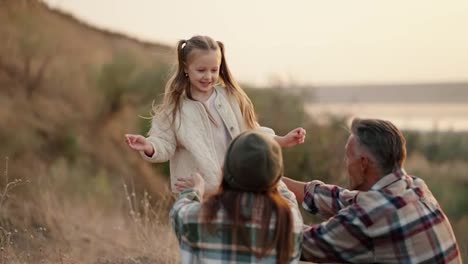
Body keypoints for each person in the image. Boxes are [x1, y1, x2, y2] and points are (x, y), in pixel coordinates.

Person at [125, 35, 305, 195]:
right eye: (201, 70)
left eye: (214, 70)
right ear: (186, 68)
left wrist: (281, 140)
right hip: (199, 191)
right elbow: (165, 143)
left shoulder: (231, 98)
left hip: (238, 185)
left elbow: (251, 134)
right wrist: (149, 146)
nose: (208, 76)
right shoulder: (175, 108)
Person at [283, 118, 461, 263]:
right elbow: (341, 198)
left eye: (348, 156)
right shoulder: (415, 187)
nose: (346, 163)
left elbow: (294, 245)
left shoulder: (370, 217)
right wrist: (275, 182)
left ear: (363, 163)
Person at [170, 130, 304, 263]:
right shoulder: (291, 221)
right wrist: (272, 178)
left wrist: (196, 189)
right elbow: (287, 198)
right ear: (276, 176)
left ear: (225, 170)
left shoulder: (195, 218)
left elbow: (178, 210)